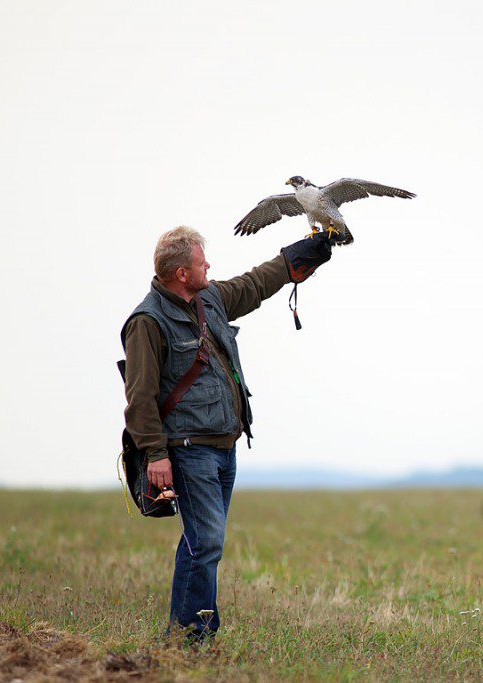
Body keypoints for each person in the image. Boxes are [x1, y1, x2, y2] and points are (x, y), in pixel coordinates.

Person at [120, 226, 333, 642]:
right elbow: (140, 397)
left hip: (224, 447)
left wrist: (293, 259)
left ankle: (184, 634)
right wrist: (155, 454)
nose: (209, 266)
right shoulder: (147, 322)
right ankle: (194, 637)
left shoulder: (210, 300)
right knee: (208, 542)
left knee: (201, 542)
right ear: (182, 273)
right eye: (202, 261)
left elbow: (254, 284)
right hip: (187, 451)